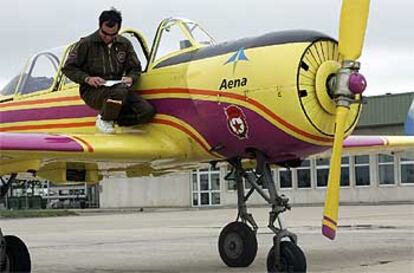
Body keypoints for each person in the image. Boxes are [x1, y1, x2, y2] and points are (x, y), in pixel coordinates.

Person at [62, 8, 155, 134]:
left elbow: (135, 68)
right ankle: (105, 119)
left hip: (118, 88)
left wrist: (131, 78)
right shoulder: (86, 44)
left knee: (147, 112)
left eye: (112, 35)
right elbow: (68, 68)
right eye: (105, 34)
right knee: (120, 91)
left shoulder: (124, 44)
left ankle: (116, 121)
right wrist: (87, 79)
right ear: (100, 26)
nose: (108, 38)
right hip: (92, 91)